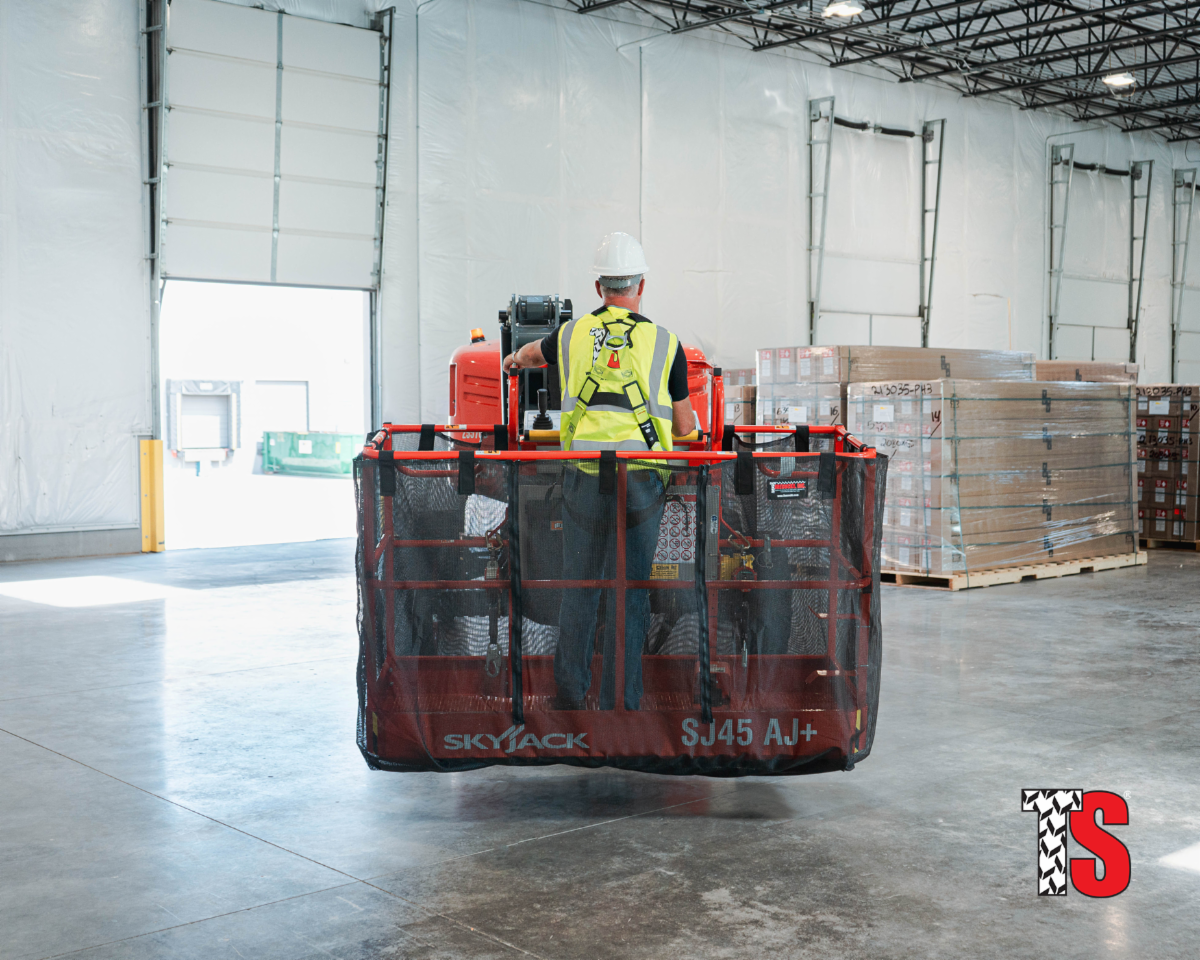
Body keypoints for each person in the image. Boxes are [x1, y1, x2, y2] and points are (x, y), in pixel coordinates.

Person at [503, 232, 695, 710]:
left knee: (581, 584)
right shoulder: (667, 343)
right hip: (644, 480)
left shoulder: (568, 335)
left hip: (585, 476)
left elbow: (530, 356)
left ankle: (569, 696)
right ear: (641, 285)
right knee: (631, 591)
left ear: (598, 288)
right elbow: (689, 427)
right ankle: (624, 702)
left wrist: (511, 359)